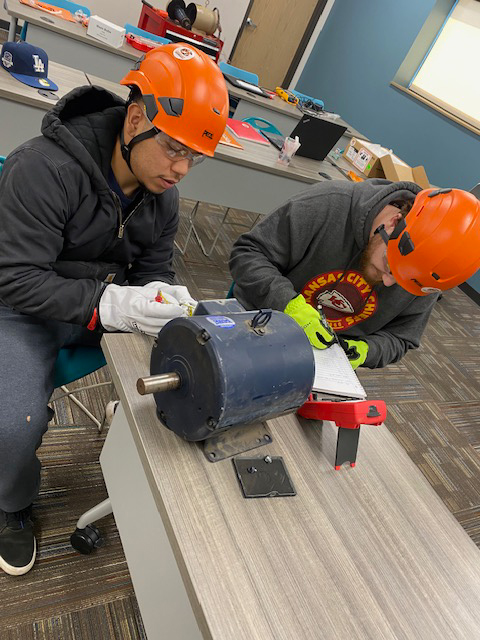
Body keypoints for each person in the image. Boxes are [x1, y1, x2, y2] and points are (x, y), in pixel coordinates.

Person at [0, 43, 228, 576]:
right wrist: (109, 302)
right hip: (25, 309)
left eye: (195, 156)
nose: (182, 169)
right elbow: (16, 279)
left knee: (191, 364)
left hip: (104, 308)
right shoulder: (44, 169)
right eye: (174, 148)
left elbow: (153, 268)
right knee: (11, 424)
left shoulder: (161, 195)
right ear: (135, 118)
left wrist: (161, 294)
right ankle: (12, 505)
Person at [230, 179, 480, 369]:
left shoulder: (425, 274)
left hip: (324, 361)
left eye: (400, 281)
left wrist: (364, 351)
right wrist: (288, 305)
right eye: (390, 266)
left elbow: (402, 337)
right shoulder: (327, 204)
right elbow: (248, 254)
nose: (387, 281)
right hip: (257, 322)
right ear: (394, 223)